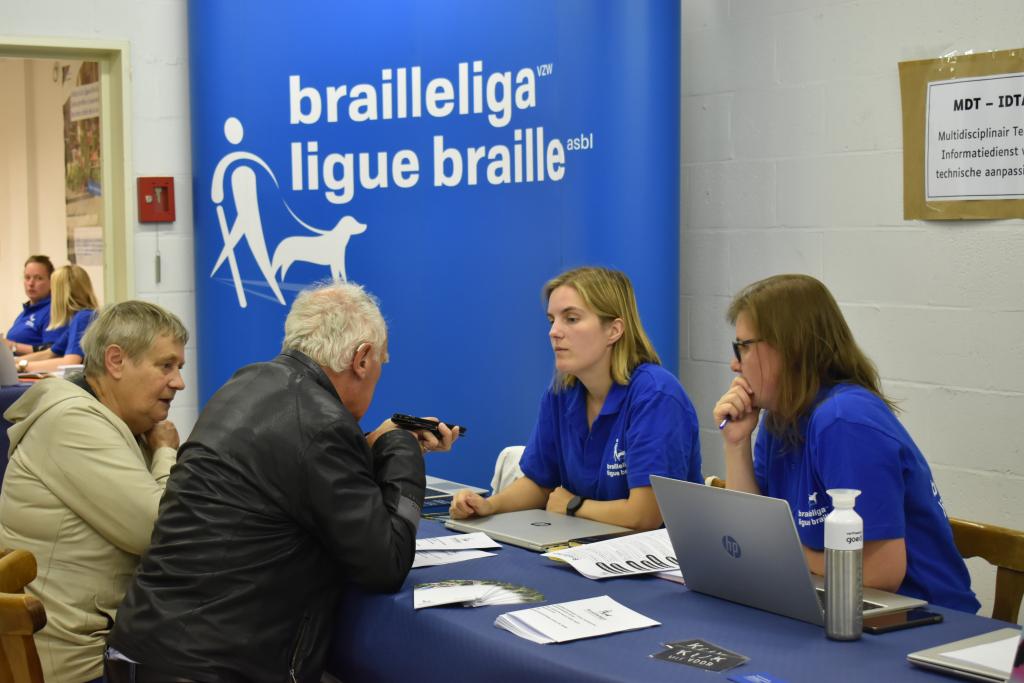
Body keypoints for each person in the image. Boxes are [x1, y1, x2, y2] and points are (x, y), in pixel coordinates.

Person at [106, 281, 458, 683]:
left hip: (144, 647)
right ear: (361, 359)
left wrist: (377, 444)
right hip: (212, 667)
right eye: (381, 361)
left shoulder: (245, 384)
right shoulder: (322, 424)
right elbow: (386, 563)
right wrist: (401, 448)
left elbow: (293, 472)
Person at [712, 274, 979, 612]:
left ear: (788, 347)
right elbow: (747, 534)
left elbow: (880, 573)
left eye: (744, 346)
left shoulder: (843, 421)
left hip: (921, 618)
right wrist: (736, 445)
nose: (735, 363)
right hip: (836, 599)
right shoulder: (780, 416)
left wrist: (782, 555)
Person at [0, 300, 188, 683]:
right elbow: (159, 531)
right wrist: (166, 451)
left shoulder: (110, 420)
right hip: (77, 665)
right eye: (165, 366)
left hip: (101, 645)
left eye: (179, 368)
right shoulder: (72, 422)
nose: (178, 382)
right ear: (116, 361)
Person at [450, 266, 701, 531]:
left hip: (656, 561)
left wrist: (574, 505)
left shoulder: (656, 395)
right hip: (583, 547)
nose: (554, 331)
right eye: (551, 320)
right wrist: (489, 505)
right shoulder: (562, 392)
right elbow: (540, 483)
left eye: (571, 319)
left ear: (614, 330)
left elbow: (644, 515)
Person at [14, 264, 99, 373]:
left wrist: (22, 367)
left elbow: (70, 363)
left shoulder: (83, 318)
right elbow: (50, 353)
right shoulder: (81, 317)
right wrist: (15, 363)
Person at [2, 254, 55, 355]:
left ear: (51, 281)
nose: (31, 283)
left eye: (38, 278)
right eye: (27, 277)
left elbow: (52, 351)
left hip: (34, 368)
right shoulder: (26, 312)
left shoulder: (53, 310)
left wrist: (11, 346)